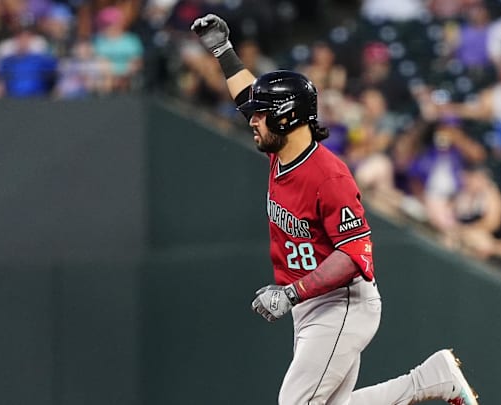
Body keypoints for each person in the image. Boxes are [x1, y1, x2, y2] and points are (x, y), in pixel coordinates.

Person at [190, 13, 480, 405]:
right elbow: (246, 96)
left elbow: (354, 251)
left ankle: (428, 382)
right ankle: (433, 378)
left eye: (262, 114)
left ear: (288, 117)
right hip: (311, 303)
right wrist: (224, 51)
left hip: (342, 301)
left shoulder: (329, 176)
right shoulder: (282, 149)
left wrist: (291, 293)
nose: (252, 120)